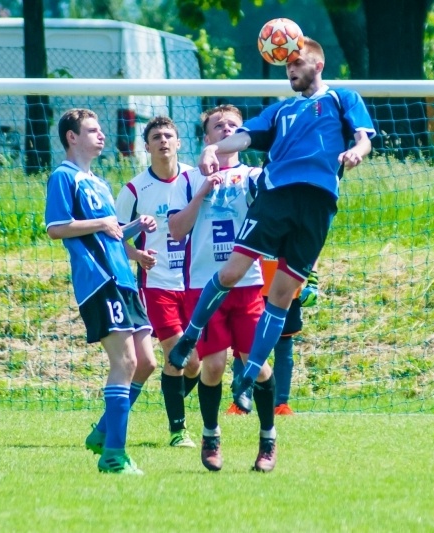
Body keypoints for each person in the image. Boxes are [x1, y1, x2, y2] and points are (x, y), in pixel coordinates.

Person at [168, 37, 376, 473]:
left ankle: (248, 379)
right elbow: (243, 137)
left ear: (317, 63)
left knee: (282, 295)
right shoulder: (281, 111)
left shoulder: (341, 97)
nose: (290, 71)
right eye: (286, 67)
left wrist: (357, 150)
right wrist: (212, 149)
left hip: (319, 204)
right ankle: (191, 334)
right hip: (278, 197)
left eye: (296, 63)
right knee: (232, 271)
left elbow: (362, 136)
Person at [45, 108, 157, 475]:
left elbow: (108, 233)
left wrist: (135, 234)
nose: (101, 135)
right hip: (99, 281)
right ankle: (113, 456)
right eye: (92, 130)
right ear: (71, 137)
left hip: (124, 278)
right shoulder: (64, 177)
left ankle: (102, 433)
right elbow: (57, 227)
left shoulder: (100, 182)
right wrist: (103, 222)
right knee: (124, 363)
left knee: (146, 363)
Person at [167, 104, 268, 472]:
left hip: (248, 283)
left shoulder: (256, 176)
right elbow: (176, 230)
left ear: (243, 136)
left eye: (233, 125)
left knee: (257, 368)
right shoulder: (190, 178)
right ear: (207, 138)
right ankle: (211, 436)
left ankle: (267, 441)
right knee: (212, 367)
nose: (226, 129)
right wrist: (203, 194)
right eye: (217, 126)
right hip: (202, 286)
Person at [114, 116, 199, 448]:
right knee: (178, 356)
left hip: (195, 282)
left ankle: (170, 398)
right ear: (146, 147)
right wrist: (138, 257)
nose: (163, 141)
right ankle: (178, 430)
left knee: (194, 364)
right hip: (157, 284)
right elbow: (114, 239)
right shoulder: (134, 189)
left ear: (178, 143)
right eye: (156, 137)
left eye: (169, 136)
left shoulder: (196, 179)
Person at [228, 261, 319, 416]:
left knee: (284, 344)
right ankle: (240, 403)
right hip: (253, 287)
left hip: (288, 287)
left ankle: (280, 404)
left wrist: (313, 281)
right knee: (245, 345)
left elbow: (310, 244)